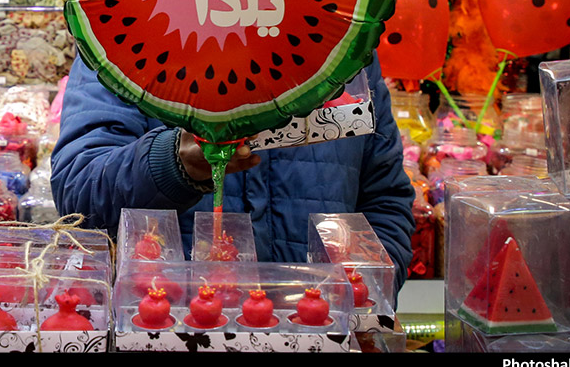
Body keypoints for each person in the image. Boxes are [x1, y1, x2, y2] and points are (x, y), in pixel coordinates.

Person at [51, 51, 417, 289]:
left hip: (325, 333)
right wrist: (173, 162)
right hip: (170, 331)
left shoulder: (348, 56)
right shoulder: (120, 46)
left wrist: (366, 295)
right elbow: (79, 194)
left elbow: (386, 201)